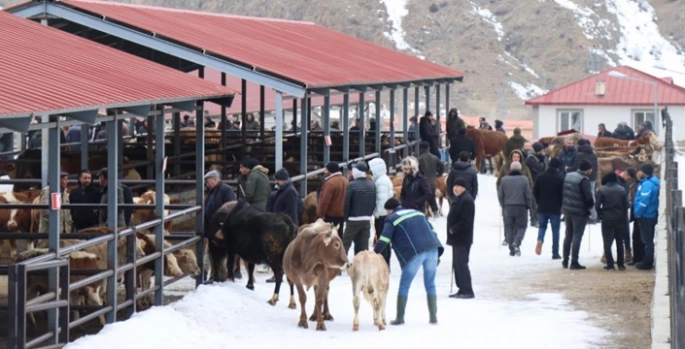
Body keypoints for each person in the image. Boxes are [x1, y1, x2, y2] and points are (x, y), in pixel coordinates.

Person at [373, 198, 444, 325]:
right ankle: (433, 317)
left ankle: (400, 317)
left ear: (389, 210)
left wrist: (373, 253)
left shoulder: (391, 218)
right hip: (433, 249)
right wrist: (437, 255)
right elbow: (432, 231)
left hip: (414, 253)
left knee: (405, 285)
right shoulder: (417, 213)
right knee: (430, 284)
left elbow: (384, 239)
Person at [561, 159, 595, 270]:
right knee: (577, 236)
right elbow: (588, 197)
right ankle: (574, 261)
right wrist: (590, 208)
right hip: (579, 212)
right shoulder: (584, 180)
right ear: (587, 169)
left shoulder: (569, 175)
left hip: (567, 210)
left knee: (568, 235)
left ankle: (565, 260)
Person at [446, 178, 475, 299]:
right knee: (456, 265)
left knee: (462, 264)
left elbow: (466, 221)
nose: (455, 188)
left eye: (458, 186)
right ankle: (461, 288)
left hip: (462, 238)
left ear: (463, 187)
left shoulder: (466, 200)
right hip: (456, 238)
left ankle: (467, 290)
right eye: (454, 186)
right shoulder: (459, 199)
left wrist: (454, 229)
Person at [498, 162, 533, 257]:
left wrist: (503, 205)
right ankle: (517, 242)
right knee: (522, 226)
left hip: (508, 207)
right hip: (521, 206)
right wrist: (528, 205)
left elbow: (500, 194)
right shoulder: (524, 179)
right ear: (520, 169)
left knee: (509, 228)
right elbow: (528, 194)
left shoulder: (504, 180)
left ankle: (511, 250)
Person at [595, 172, 629, 270]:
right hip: (619, 219)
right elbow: (626, 205)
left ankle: (610, 264)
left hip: (607, 218)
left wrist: (601, 214)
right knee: (619, 242)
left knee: (607, 242)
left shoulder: (602, 190)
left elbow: (597, 206)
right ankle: (621, 264)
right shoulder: (622, 190)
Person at [343, 162, 377, 255]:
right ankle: (362, 265)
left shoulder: (351, 185)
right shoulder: (372, 184)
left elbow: (346, 203)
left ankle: (338, 268)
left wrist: (346, 217)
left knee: (345, 244)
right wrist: (369, 214)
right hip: (366, 219)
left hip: (353, 219)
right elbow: (374, 202)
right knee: (363, 246)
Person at [533, 158, 564, 259]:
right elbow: (562, 194)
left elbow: (535, 192)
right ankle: (555, 253)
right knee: (555, 231)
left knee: (542, 227)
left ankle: (540, 240)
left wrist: (538, 202)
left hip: (542, 207)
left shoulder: (540, 176)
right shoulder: (560, 178)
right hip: (555, 208)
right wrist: (561, 205)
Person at [633, 163, 660, 270]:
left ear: (644, 172)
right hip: (650, 214)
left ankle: (647, 261)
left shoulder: (647, 184)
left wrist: (638, 212)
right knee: (647, 239)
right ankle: (647, 259)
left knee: (647, 240)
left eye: (639, 171)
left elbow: (644, 201)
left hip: (646, 215)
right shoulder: (651, 182)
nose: (638, 173)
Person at [369, 158, 394, 268]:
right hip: (384, 214)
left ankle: (384, 263)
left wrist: (377, 213)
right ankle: (385, 262)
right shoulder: (383, 179)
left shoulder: (381, 182)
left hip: (382, 215)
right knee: (385, 239)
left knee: (382, 239)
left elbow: (382, 200)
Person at [572, 139, 599, 222]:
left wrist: (568, 169)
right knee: (591, 194)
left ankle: (589, 214)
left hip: (582, 177)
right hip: (593, 177)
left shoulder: (579, 155)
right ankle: (594, 215)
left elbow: (576, 166)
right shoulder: (594, 154)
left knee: (581, 195)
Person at [617, 168, 639, 264]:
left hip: (623, 210)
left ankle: (627, 252)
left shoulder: (625, 183)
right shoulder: (616, 181)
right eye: (629, 179)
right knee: (616, 233)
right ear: (625, 174)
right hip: (617, 210)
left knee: (626, 232)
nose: (629, 181)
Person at [317, 162, 348, 228]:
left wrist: (321, 214)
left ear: (330, 170)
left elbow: (325, 201)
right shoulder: (345, 181)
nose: (325, 172)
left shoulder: (330, 183)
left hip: (331, 216)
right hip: (342, 214)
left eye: (326, 170)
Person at [418, 142, 445, 217]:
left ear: (421, 149)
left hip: (423, 181)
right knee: (431, 196)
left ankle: (426, 211)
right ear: (429, 148)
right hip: (433, 181)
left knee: (425, 197)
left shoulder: (419, 159)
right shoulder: (435, 157)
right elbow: (442, 166)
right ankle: (435, 210)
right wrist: (439, 174)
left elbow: (417, 171)